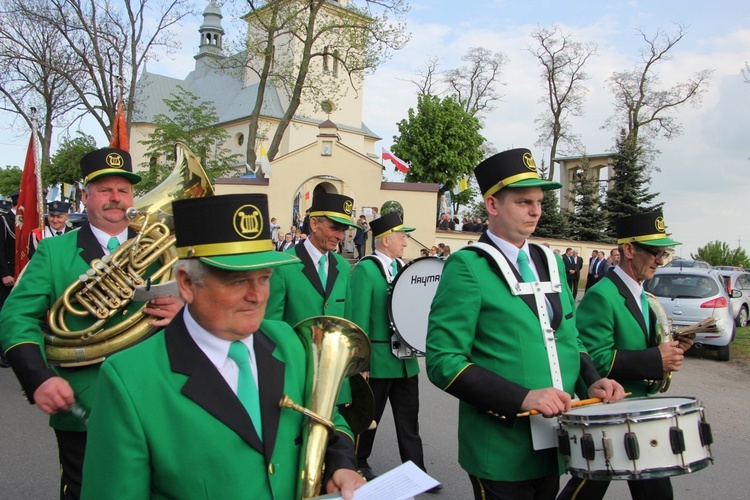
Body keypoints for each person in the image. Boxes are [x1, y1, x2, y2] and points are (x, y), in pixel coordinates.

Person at [79, 193, 364, 499]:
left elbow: (328, 419)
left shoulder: (289, 341)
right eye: (238, 281)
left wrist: (341, 464)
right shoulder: (129, 380)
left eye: (265, 277)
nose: (257, 296)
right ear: (187, 284)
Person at [425, 148, 624, 500]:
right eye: (523, 202)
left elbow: (568, 337)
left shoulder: (551, 261)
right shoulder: (467, 266)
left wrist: (591, 383)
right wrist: (523, 398)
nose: (535, 211)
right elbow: (444, 362)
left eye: (539, 202)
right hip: (500, 448)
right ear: (492, 205)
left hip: (552, 441)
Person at [0, 148, 183, 499]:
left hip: (159, 397)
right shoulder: (54, 252)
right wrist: (38, 376)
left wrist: (185, 313)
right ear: (85, 197)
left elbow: (209, 310)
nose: (116, 198)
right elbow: (16, 316)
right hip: (86, 400)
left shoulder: (166, 251)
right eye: (104, 189)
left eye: (123, 190)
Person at [557, 211, 692, 500]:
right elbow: (595, 359)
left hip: (639, 414)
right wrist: (656, 359)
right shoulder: (602, 295)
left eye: (664, 253)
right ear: (629, 250)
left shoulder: (643, 293)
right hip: (609, 414)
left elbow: (644, 344)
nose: (660, 260)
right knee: (585, 490)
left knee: (655, 490)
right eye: (655, 253)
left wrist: (673, 346)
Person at [351, 212, 439, 489]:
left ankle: (417, 472)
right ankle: (358, 463)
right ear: (385, 239)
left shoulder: (404, 268)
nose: (405, 241)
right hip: (377, 360)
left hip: (405, 361)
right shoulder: (367, 269)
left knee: (408, 420)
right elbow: (359, 318)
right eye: (402, 236)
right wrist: (360, 363)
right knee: (369, 418)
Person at [266, 193, 361, 410]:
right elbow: (270, 329)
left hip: (334, 382)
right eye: (335, 227)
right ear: (314, 223)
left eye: (344, 229)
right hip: (294, 379)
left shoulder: (343, 267)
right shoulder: (283, 264)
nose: (340, 235)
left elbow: (348, 321)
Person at [0, 191, 18, 309]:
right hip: (9, 275)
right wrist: (5, 273)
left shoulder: (28, 220)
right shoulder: (4, 220)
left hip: (23, 272)